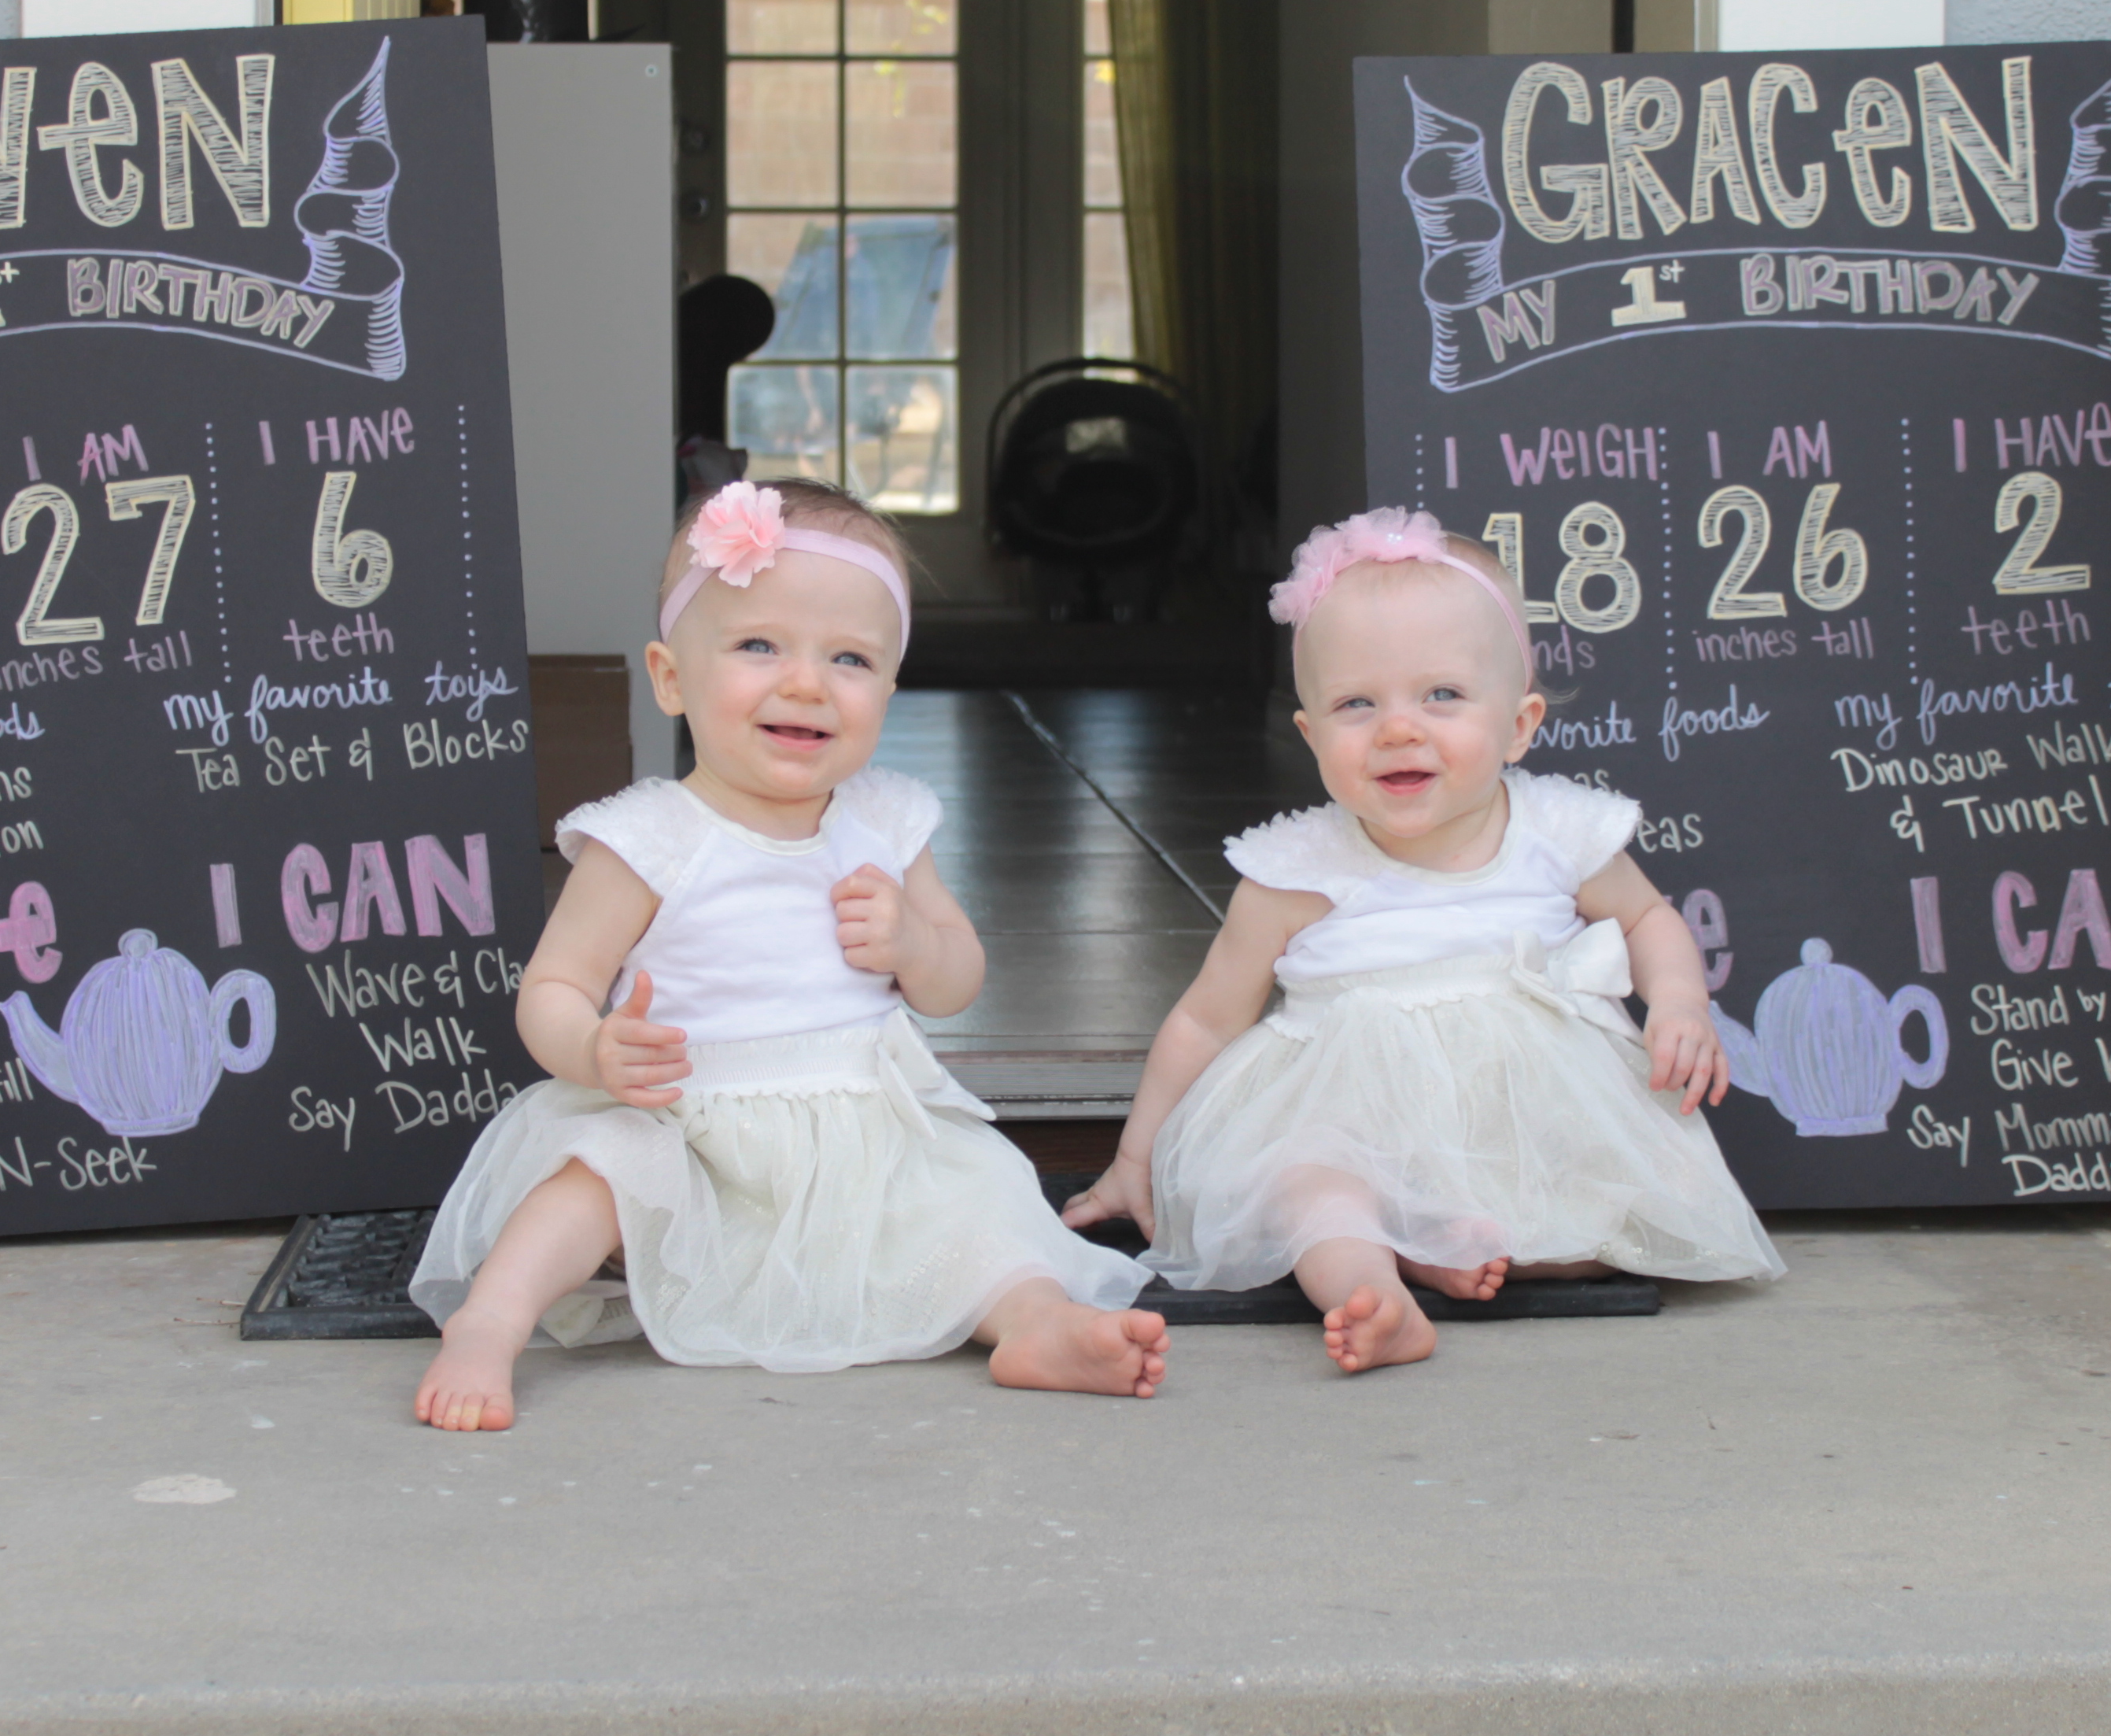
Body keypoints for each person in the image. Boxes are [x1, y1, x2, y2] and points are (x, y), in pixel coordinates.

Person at [411, 478, 1166, 1428]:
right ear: (671, 677)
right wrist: (595, 1049)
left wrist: (914, 942)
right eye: (759, 646)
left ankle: (1036, 1323)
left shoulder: (887, 822)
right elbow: (553, 986)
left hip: (862, 1136)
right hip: (687, 1133)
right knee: (593, 1178)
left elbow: (957, 978)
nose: (807, 683)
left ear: (888, 691)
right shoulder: (649, 840)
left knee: (977, 1202)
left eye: (850, 658)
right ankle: (490, 1322)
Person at [1063, 507, 1781, 1374]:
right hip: (1351, 1121)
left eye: (1442, 695)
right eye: (1356, 704)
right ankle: (1378, 1288)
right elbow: (1205, 1021)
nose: (1399, 728)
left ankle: (1454, 1246)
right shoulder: (1295, 872)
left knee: (1615, 1214)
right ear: (1310, 735)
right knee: (1306, 1191)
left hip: (1524, 1118)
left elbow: (1645, 917)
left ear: (1519, 724)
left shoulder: (1557, 833)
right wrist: (1136, 1154)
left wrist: (1679, 1001)